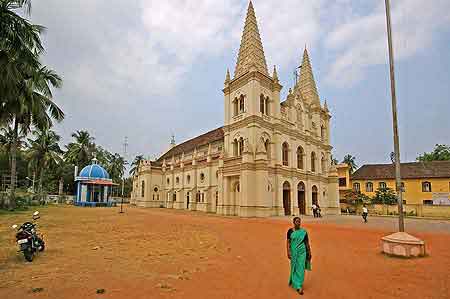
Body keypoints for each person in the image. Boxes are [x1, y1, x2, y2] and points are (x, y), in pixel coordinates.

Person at [287, 217, 312, 295]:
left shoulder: (304, 232)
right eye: (297, 221)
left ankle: (298, 285)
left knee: (301, 267)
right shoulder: (290, 231)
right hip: (294, 252)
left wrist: (309, 252)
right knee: (294, 267)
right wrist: (288, 251)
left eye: (299, 221)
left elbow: (307, 242)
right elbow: (288, 242)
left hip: (302, 251)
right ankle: (294, 280)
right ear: (293, 222)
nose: (298, 223)